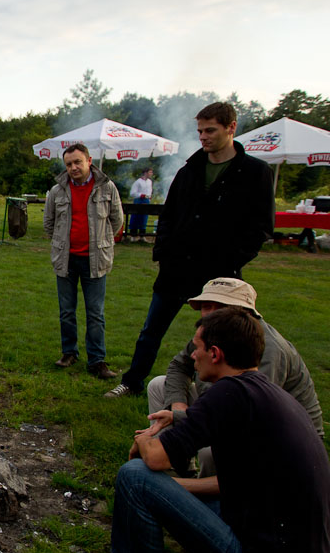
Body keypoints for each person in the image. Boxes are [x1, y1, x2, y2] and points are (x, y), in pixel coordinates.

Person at [88, 307, 330, 553]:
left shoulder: (228, 394)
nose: (192, 356)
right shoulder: (262, 392)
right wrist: (177, 423)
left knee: (135, 475)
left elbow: (157, 458)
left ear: (215, 353)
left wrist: (144, 440)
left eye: (197, 348)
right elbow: (233, 482)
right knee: (158, 486)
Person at [105, 102, 274, 398]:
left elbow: (261, 227)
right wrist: (163, 252)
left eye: (210, 130)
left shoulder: (254, 172)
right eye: (200, 131)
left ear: (231, 127)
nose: (203, 137)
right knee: (150, 331)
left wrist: (232, 259)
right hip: (176, 268)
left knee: (222, 338)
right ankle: (132, 382)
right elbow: (169, 214)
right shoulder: (191, 170)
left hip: (220, 273)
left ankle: (224, 392)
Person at [145, 277, 323, 475]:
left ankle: (207, 498)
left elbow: (242, 413)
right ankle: (178, 468)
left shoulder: (267, 349)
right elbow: (179, 365)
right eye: (205, 306)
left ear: (243, 312)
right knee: (159, 385)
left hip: (284, 442)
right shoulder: (214, 332)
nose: (209, 314)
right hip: (226, 408)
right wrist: (178, 405)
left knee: (210, 452)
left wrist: (179, 419)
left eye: (219, 307)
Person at [42, 144, 124, 380]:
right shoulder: (57, 191)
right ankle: (69, 353)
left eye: (78, 162)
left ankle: (97, 360)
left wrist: (101, 242)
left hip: (95, 259)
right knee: (66, 311)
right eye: (69, 164)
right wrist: (60, 241)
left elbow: (116, 220)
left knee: (95, 313)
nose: (73, 168)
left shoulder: (107, 188)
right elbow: (49, 223)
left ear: (89, 161)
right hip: (66, 259)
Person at [128, 168, 153, 240]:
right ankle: (133, 235)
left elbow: (149, 191)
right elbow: (132, 193)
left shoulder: (149, 182)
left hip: (146, 201)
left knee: (144, 218)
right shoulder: (138, 182)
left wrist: (148, 197)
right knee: (136, 217)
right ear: (145, 173)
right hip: (138, 200)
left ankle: (142, 235)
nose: (151, 174)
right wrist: (141, 195)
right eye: (150, 172)